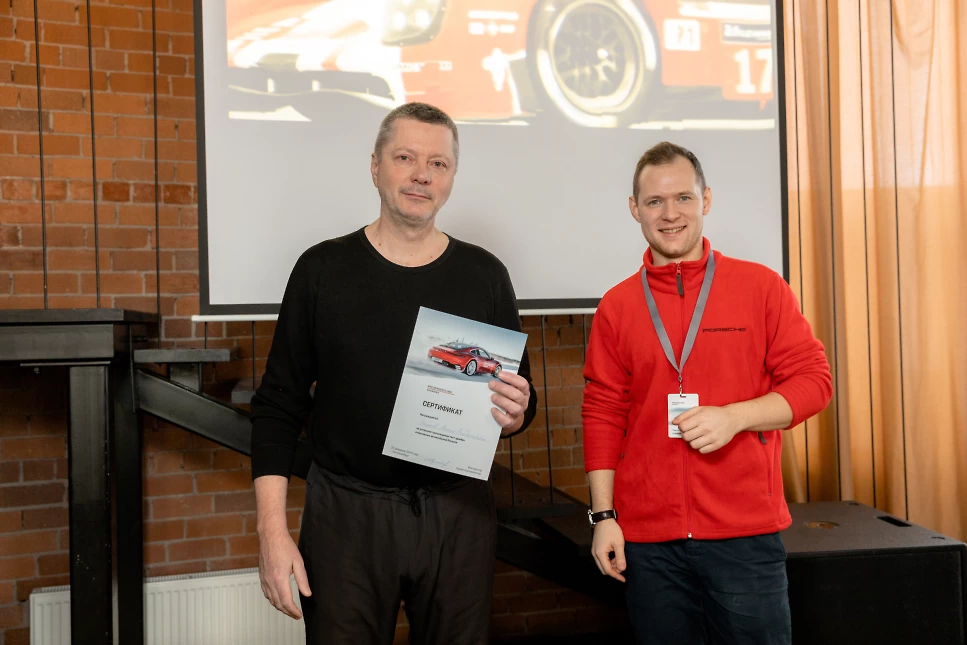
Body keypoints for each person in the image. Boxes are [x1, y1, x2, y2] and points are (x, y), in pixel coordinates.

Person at [250, 102, 538, 645]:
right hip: (346, 514)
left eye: (438, 163)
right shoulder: (321, 270)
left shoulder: (485, 275)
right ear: (375, 166)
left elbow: (520, 400)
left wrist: (516, 413)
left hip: (458, 513)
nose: (421, 174)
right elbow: (277, 404)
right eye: (405, 157)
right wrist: (271, 533)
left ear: (451, 177)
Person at [582, 141, 832, 645]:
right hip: (649, 543)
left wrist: (735, 417)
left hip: (744, 536)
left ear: (706, 200)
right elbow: (602, 412)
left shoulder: (761, 287)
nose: (670, 214)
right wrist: (604, 517)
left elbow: (814, 382)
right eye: (654, 201)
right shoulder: (617, 306)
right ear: (634, 209)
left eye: (683, 198)